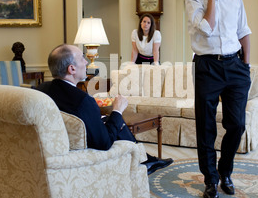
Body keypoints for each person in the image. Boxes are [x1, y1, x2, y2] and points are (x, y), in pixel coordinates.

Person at [36, 44, 173, 174]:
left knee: (109, 119)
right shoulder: (83, 101)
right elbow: (104, 143)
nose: (85, 62)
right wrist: (117, 110)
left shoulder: (41, 90)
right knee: (117, 120)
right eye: (82, 58)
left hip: (57, 149)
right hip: (87, 153)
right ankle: (144, 160)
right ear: (72, 69)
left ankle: (146, 159)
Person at [185, 0, 252, 198]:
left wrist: (245, 65)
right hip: (207, 66)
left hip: (235, 65)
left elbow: (243, 29)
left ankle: (226, 172)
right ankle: (211, 180)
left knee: (237, 124)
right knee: (205, 126)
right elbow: (207, 27)